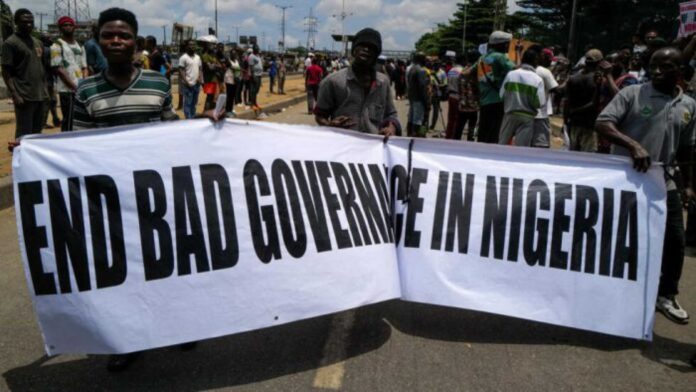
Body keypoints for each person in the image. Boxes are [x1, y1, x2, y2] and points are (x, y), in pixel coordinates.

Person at [69, 7, 194, 372]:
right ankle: (128, 339)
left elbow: (169, 127)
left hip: (155, 197)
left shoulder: (157, 82)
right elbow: (77, 145)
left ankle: (178, 327)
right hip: (111, 201)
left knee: (167, 263)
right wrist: (30, 149)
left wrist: (203, 127)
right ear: (98, 40)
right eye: (109, 35)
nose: (116, 41)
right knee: (123, 272)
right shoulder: (86, 90)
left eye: (124, 35)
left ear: (136, 42)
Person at [595, 47, 696, 325]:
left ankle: (666, 295)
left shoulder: (688, 105)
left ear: (679, 71)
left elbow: (687, 148)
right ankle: (607, 291)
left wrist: (688, 185)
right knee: (618, 237)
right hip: (627, 181)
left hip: (664, 181)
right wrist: (633, 145)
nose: (657, 71)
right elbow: (603, 123)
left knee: (675, 241)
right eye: (653, 65)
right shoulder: (632, 94)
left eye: (664, 66)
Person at [315, 27, 400, 137]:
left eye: (372, 47)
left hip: (372, 148)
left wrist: (391, 127)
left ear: (376, 55)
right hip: (342, 146)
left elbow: (391, 114)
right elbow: (320, 115)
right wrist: (330, 125)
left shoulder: (383, 82)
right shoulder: (333, 81)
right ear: (353, 51)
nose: (366, 49)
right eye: (362, 45)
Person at [1, 9, 48, 139]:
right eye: (24, 22)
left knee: (37, 132)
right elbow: (6, 71)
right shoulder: (10, 43)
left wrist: (45, 90)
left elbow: (41, 68)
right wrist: (15, 94)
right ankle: (20, 158)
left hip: (39, 95)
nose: (29, 25)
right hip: (24, 96)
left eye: (31, 22)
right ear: (16, 22)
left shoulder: (37, 42)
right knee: (24, 133)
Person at [498, 47, 545, 146]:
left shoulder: (511, 74)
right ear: (535, 61)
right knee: (521, 149)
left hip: (510, 114)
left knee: (502, 145)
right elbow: (540, 103)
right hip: (527, 118)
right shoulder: (538, 79)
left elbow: (501, 95)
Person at [477, 31, 517, 143]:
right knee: (494, 135)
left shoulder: (481, 58)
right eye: (507, 44)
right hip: (497, 101)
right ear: (501, 44)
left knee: (483, 133)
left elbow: (468, 73)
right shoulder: (500, 57)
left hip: (484, 100)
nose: (508, 46)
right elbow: (517, 70)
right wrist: (518, 53)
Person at [50, 15, 87, 131]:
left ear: (74, 27)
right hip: (67, 90)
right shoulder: (57, 46)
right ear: (60, 28)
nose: (68, 27)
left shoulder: (80, 46)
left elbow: (84, 67)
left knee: (81, 120)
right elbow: (59, 69)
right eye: (64, 25)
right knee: (69, 120)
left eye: (70, 25)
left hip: (80, 89)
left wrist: (84, 84)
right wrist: (74, 87)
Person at [564, 49, 603, 152]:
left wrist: (566, 120)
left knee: (573, 154)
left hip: (574, 122)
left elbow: (566, 102)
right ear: (599, 62)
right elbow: (594, 104)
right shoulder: (598, 80)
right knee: (587, 159)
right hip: (589, 124)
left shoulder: (573, 78)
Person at [534, 46, 559, 148]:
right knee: (541, 145)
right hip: (540, 115)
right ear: (543, 57)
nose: (551, 63)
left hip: (527, 113)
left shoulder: (531, 68)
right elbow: (557, 90)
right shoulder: (545, 71)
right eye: (550, 60)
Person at [178, 39, 203, 119]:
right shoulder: (183, 58)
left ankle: (192, 116)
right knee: (188, 103)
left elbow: (200, 68)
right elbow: (181, 70)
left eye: (193, 45)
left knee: (194, 103)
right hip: (188, 84)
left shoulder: (198, 57)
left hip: (196, 84)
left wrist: (200, 78)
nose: (192, 46)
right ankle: (188, 119)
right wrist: (186, 81)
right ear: (187, 46)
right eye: (190, 45)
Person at [406, 52, 429, 137]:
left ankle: (409, 135)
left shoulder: (411, 69)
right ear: (421, 59)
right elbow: (422, 88)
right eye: (425, 59)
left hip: (412, 98)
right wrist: (426, 103)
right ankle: (416, 138)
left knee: (411, 119)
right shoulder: (421, 70)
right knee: (419, 121)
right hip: (419, 99)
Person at [445, 53, 465, 139]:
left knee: (451, 118)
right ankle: (454, 137)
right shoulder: (462, 71)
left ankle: (448, 135)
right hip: (458, 96)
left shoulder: (451, 70)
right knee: (457, 119)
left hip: (451, 95)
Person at [224, 49, 240, 116]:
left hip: (235, 80)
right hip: (229, 80)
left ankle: (231, 110)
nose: (234, 55)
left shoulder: (236, 61)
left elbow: (238, 69)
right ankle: (227, 110)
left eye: (235, 53)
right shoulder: (228, 61)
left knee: (233, 96)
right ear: (230, 54)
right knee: (229, 96)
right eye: (232, 53)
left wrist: (238, 76)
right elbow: (232, 68)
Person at [248, 45, 263, 109]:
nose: (257, 50)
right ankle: (252, 104)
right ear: (254, 49)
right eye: (256, 49)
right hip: (255, 75)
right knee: (253, 90)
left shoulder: (258, 56)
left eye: (258, 49)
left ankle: (255, 102)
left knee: (257, 90)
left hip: (259, 75)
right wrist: (253, 76)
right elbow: (251, 67)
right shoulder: (251, 56)